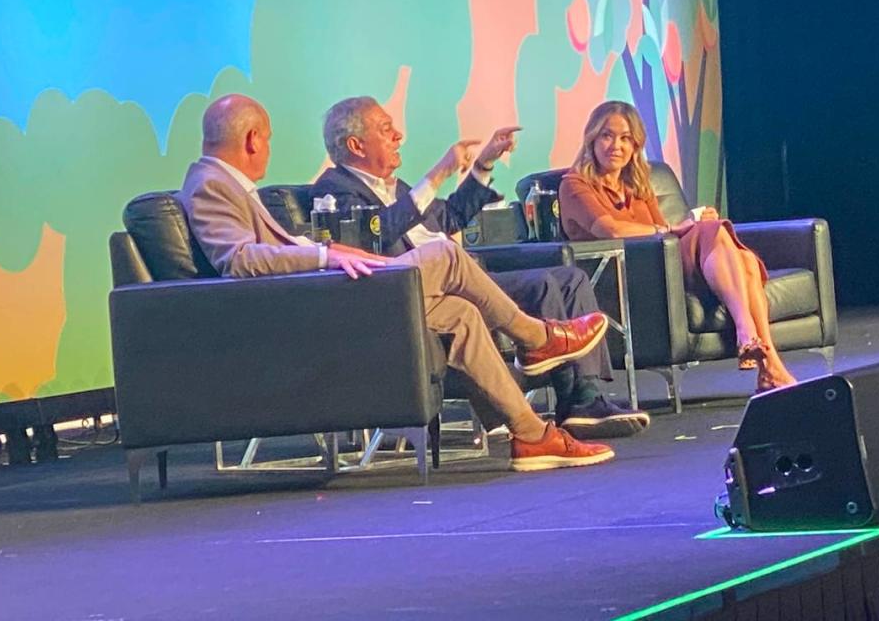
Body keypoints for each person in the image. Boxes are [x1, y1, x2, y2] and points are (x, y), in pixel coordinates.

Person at [178, 93, 616, 471]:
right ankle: (535, 337)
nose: (269, 149)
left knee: (461, 314)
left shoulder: (227, 185)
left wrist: (330, 251)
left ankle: (531, 433)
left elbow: (440, 218)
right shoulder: (211, 184)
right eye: (269, 139)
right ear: (253, 139)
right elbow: (237, 260)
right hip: (313, 308)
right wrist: (324, 254)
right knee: (445, 253)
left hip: (339, 293)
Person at [311, 96, 649, 438]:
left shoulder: (394, 187)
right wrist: (438, 174)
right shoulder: (335, 190)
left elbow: (451, 216)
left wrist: (484, 165)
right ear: (355, 145)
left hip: (468, 277)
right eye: (386, 129)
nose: (399, 136)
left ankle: (585, 396)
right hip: (428, 291)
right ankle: (570, 394)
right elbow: (376, 236)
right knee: (546, 285)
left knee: (570, 280)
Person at [558, 100, 796, 392]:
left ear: (635, 145)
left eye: (625, 139)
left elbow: (665, 234)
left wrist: (692, 223)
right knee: (716, 236)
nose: (615, 146)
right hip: (625, 273)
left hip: (664, 263)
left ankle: (765, 359)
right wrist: (675, 227)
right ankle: (751, 338)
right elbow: (612, 229)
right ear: (592, 138)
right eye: (607, 136)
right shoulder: (575, 184)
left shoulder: (638, 182)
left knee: (739, 258)